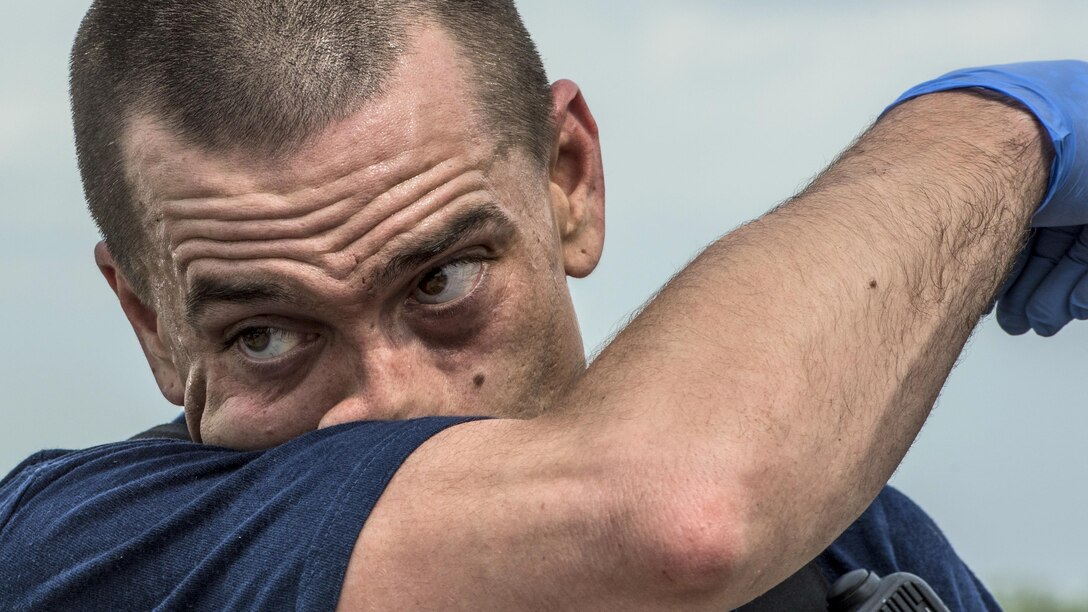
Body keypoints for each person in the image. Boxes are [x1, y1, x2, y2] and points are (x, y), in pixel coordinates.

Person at [2, 0, 1086, 609]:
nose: (395, 407)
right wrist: (991, 129)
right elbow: (678, 516)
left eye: (442, 280)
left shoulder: (853, 550)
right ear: (153, 325)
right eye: (266, 336)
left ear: (568, 178)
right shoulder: (88, 552)